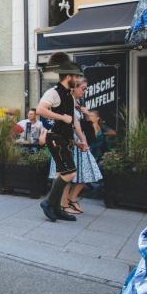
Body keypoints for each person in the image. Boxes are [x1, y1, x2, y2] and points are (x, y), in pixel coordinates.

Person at [37, 52, 87, 222]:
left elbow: (72, 123)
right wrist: (62, 117)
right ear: (68, 76)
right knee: (70, 172)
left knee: (61, 173)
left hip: (65, 139)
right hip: (55, 138)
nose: (77, 79)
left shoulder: (69, 95)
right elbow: (40, 110)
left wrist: (78, 142)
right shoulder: (54, 92)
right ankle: (49, 203)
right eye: (75, 76)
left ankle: (57, 208)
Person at [48, 78, 102, 215]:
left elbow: (81, 125)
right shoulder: (66, 101)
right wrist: (81, 140)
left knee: (88, 172)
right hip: (67, 140)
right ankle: (63, 203)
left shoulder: (77, 102)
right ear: (74, 87)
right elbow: (71, 124)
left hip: (76, 140)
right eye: (83, 88)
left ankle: (71, 199)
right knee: (68, 174)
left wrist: (86, 116)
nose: (84, 91)